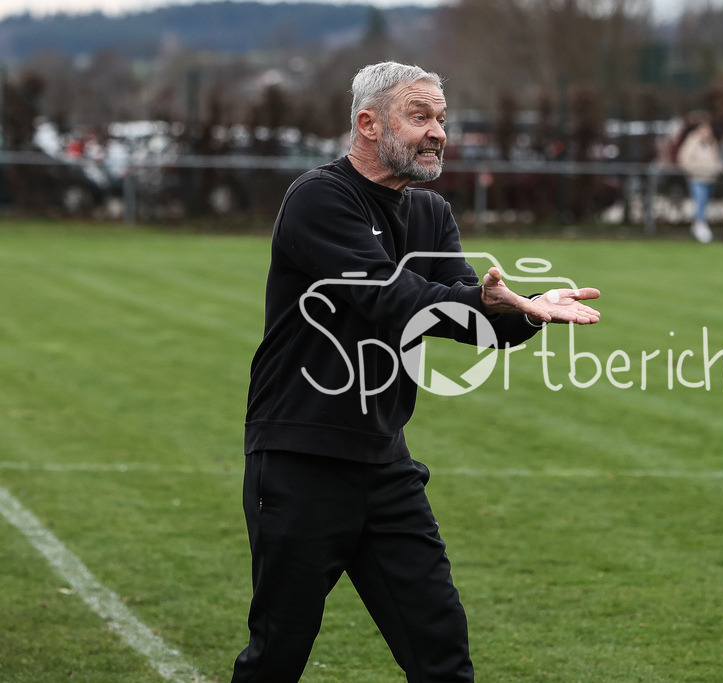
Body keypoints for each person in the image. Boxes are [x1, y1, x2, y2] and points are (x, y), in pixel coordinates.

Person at [231, 61, 601, 682]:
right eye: (420, 116)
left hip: (386, 467)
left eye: (442, 120)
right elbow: (388, 299)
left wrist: (529, 311)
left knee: (442, 655)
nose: (438, 133)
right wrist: (479, 303)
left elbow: (469, 315)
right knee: (278, 655)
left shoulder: (430, 212)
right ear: (368, 123)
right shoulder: (320, 198)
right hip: (301, 461)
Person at [678, 120, 723, 243]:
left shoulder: (712, 143)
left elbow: (715, 159)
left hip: (710, 179)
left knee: (705, 202)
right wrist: (694, 171)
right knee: (700, 200)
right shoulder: (692, 142)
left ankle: (700, 224)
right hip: (697, 178)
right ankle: (700, 225)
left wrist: (719, 167)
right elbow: (684, 159)